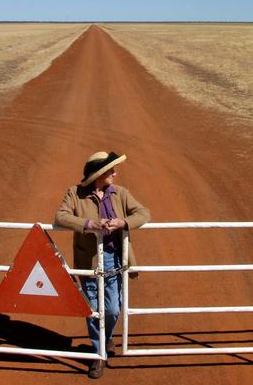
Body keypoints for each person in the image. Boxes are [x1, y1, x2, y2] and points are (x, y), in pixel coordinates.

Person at [55, 151, 150, 379]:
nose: (115, 174)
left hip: (115, 258)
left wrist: (123, 222)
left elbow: (144, 213)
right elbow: (60, 216)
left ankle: (106, 338)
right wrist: (89, 223)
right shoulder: (75, 193)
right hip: (89, 260)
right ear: (99, 174)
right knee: (93, 310)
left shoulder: (120, 193)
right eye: (111, 171)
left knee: (113, 308)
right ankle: (99, 355)